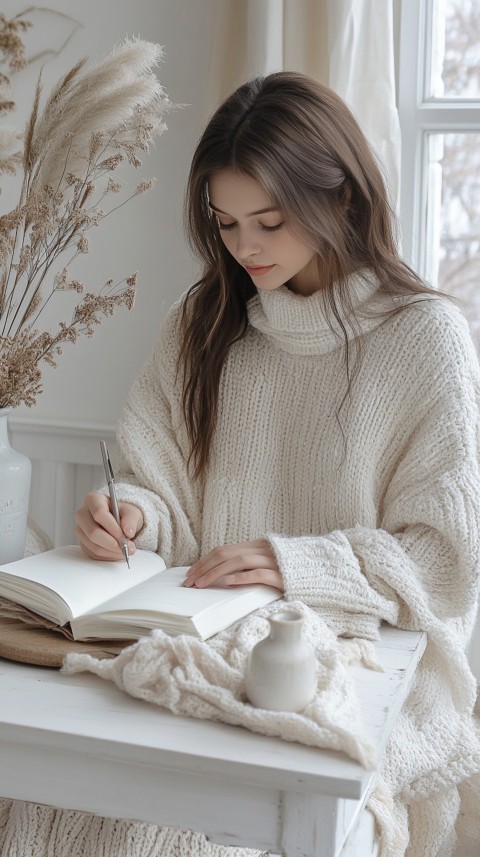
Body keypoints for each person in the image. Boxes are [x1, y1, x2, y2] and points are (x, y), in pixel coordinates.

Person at [75, 72, 480, 856]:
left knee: (173, 836)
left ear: (344, 200)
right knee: (53, 803)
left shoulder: (424, 338)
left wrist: (295, 565)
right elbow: (159, 485)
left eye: (269, 220)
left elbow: (447, 557)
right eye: (225, 223)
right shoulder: (205, 322)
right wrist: (132, 512)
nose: (244, 247)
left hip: (360, 672)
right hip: (200, 656)